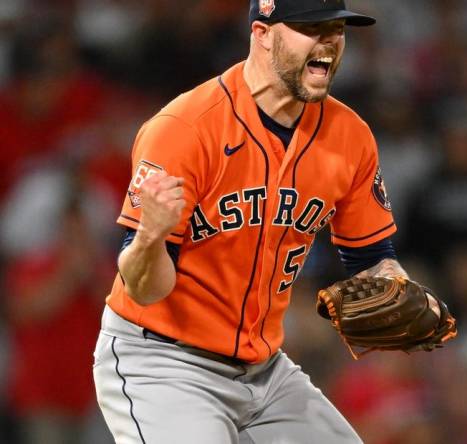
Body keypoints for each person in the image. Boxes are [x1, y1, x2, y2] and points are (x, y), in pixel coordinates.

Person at [93, 1, 423, 442]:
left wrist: (394, 286)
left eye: (337, 28)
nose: (329, 41)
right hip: (164, 362)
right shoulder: (185, 128)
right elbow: (145, 289)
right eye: (313, 27)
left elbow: (370, 256)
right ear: (262, 33)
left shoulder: (350, 136)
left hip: (265, 370)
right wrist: (150, 237)